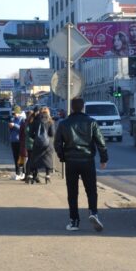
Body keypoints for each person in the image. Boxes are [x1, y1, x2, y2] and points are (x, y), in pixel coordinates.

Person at [54, 98, 108, 232]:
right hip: (87, 161)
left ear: (71, 108)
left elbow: (57, 143)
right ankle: (93, 213)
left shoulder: (64, 123)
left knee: (72, 192)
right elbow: (100, 142)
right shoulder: (91, 122)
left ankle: (74, 221)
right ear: (83, 107)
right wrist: (103, 158)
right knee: (91, 190)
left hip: (71, 162)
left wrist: (62, 156)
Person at [29, 107, 55, 184]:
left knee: (35, 158)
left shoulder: (36, 121)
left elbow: (30, 133)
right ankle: (47, 175)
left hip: (37, 144)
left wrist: (36, 138)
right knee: (48, 158)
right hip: (47, 144)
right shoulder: (50, 121)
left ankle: (33, 175)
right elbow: (52, 133)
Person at [8, 106, 25, 180]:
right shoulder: (13, 119)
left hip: (19, 141)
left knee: (21, 157)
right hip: (13, 141)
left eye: (15, 113)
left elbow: (22, 129)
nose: (14, 115)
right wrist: (10, 127)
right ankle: (17, 173)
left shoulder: (22, 120)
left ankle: (23, 173)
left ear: (18, 113)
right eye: (13, 113)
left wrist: (14, 125)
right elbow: (11, 130)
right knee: (15, 158)